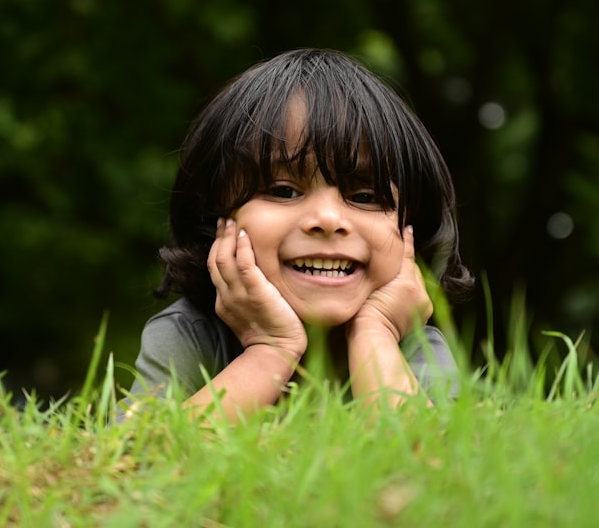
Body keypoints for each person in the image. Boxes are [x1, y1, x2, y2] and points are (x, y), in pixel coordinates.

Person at [126, 48, 473, 422]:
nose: (327, 219)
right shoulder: (189, 334)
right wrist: (270, 349)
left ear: (411, 235)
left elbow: (430, 464)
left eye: (364, 197)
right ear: (216, 219)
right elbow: (134, 462)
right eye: (283, 191)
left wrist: (376, 334)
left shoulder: (409, 343)